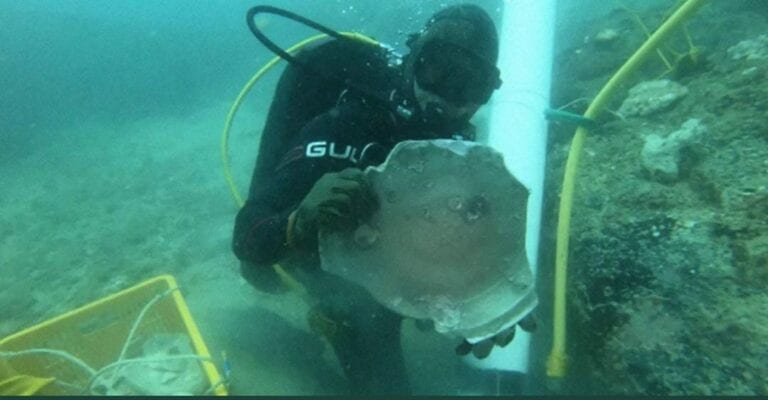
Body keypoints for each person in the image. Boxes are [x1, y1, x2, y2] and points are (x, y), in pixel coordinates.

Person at [233, 3, 507, 395]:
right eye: (437, 70)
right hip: (322, 263)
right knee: (378, 365)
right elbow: (247, 237)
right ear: (413, 61)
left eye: (470, 85)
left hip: (388, 259)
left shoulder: (457, 154)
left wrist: (492, 298)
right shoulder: (350, 122)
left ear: (486, 94)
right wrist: (301, 219)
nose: (447, 98)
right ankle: (294, 346)